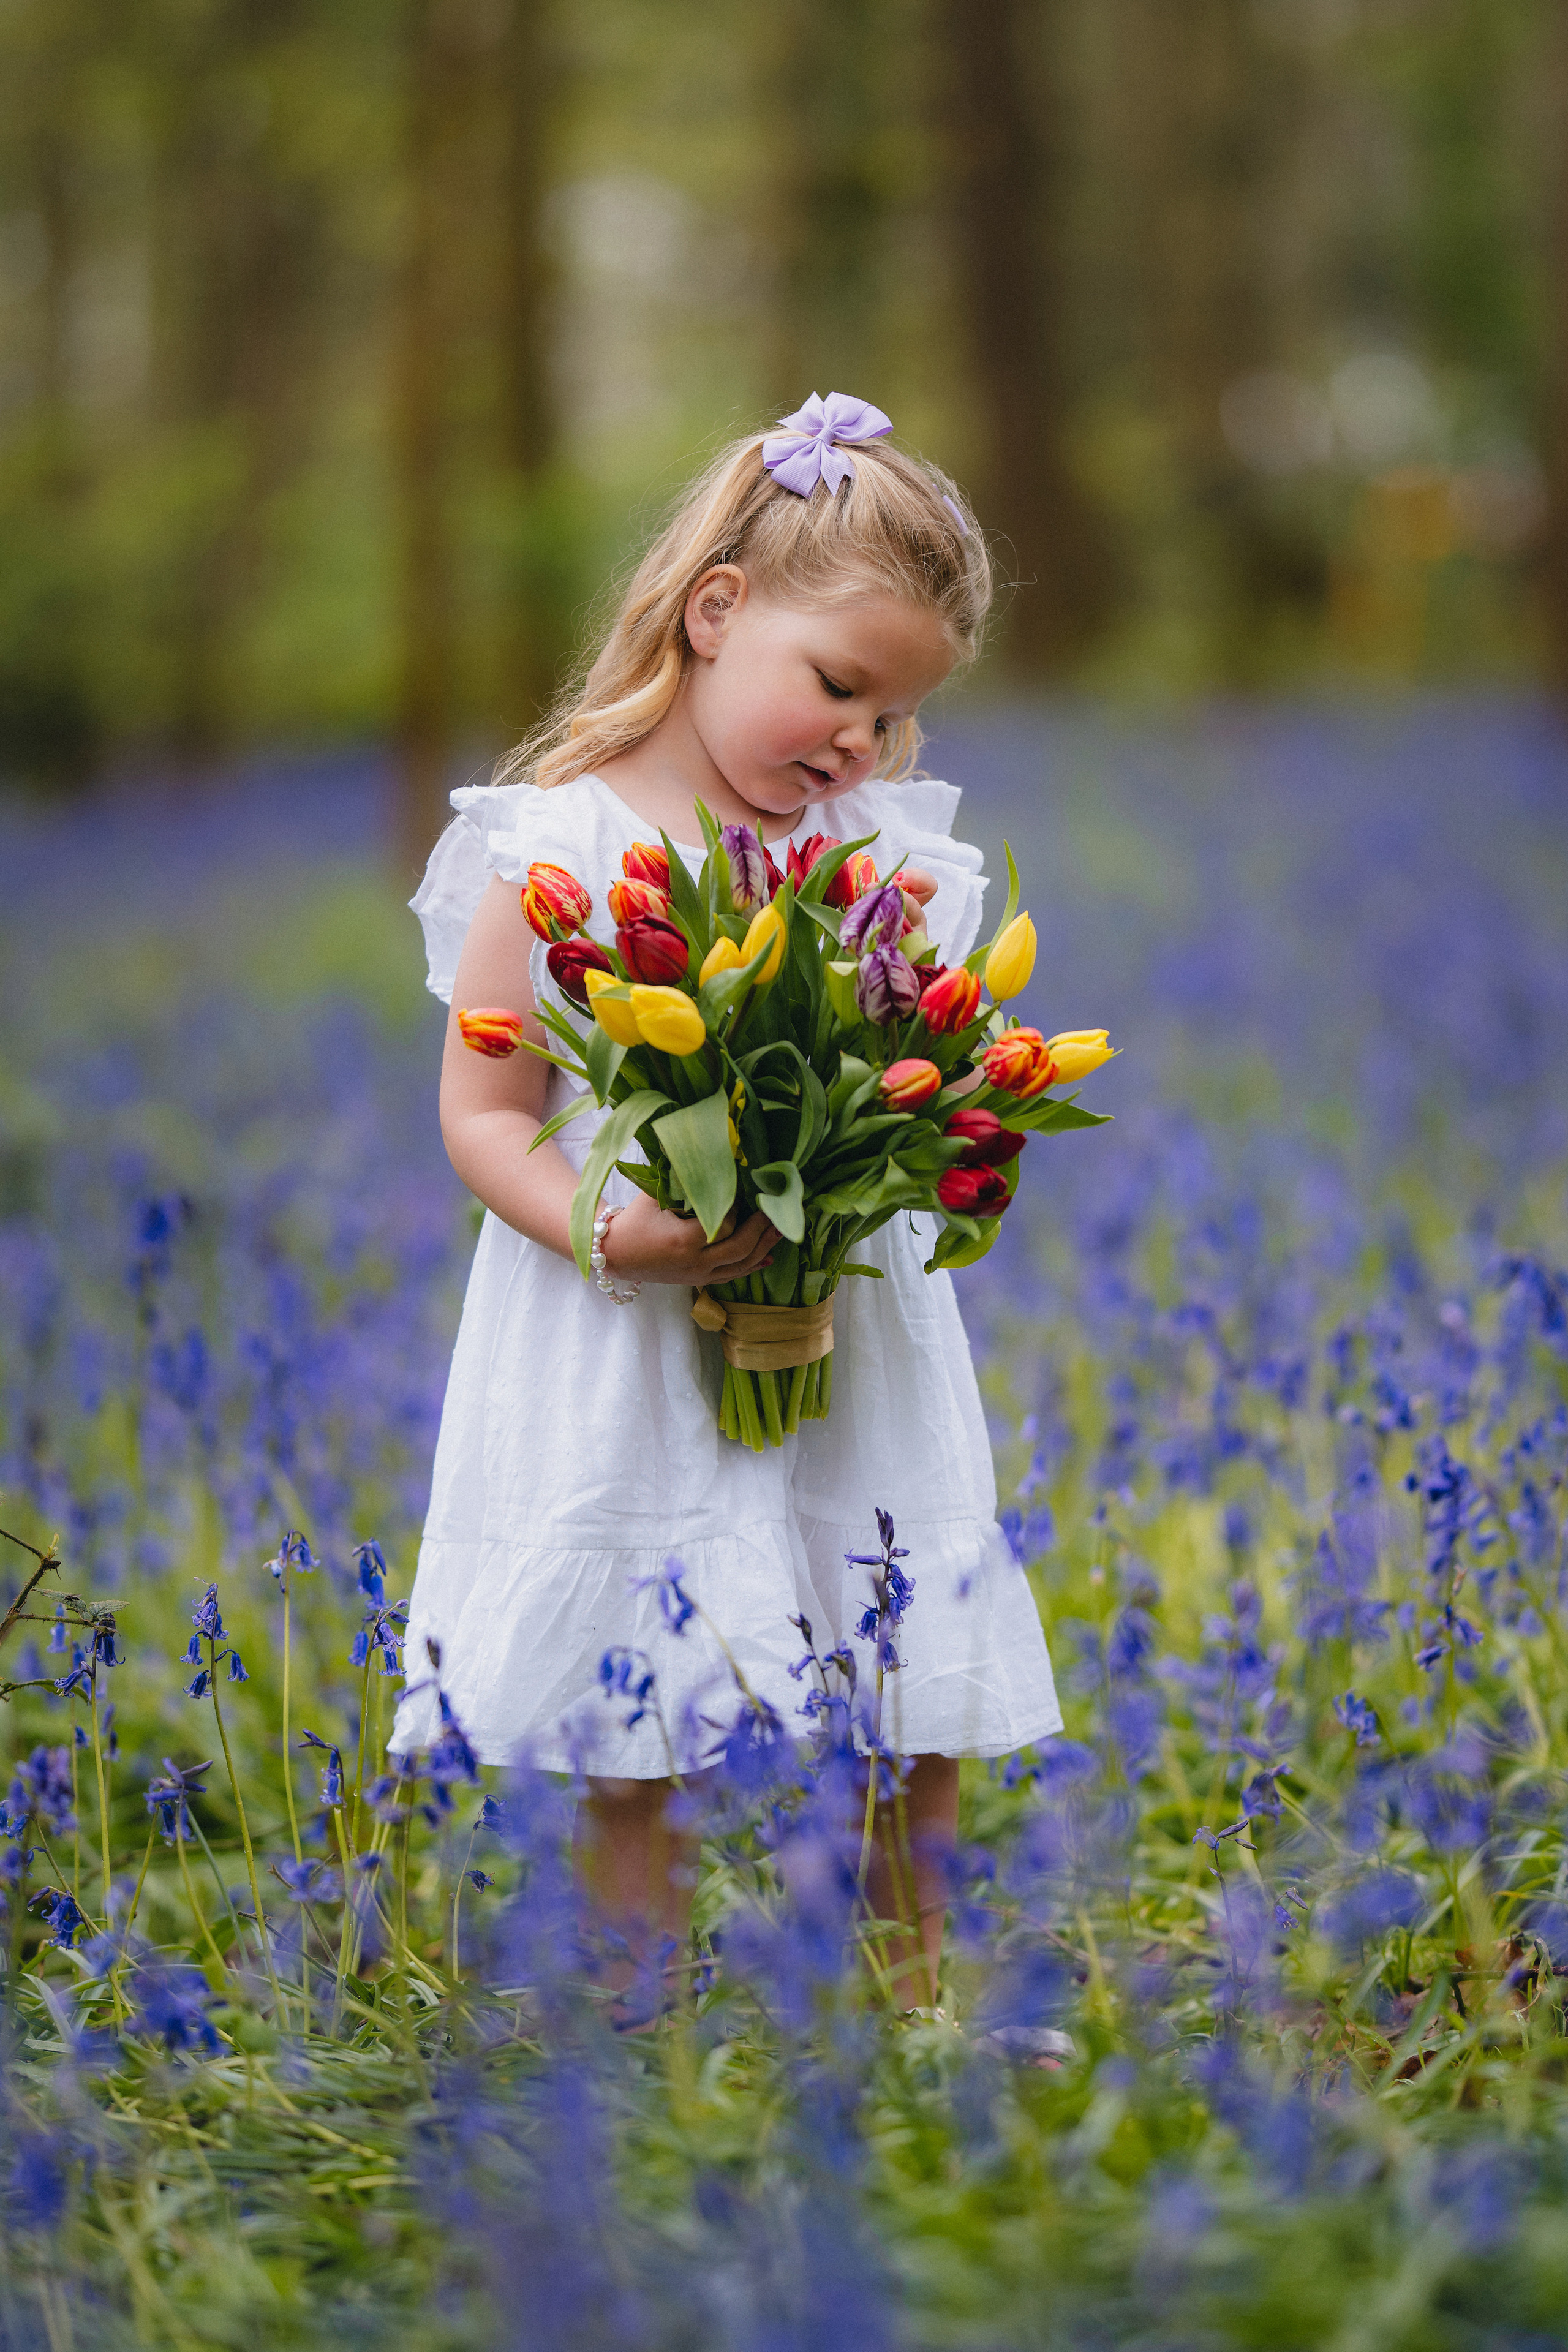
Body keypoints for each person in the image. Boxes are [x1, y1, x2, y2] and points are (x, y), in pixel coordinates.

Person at [396, 393, 1061, 2016]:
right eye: (840, 689)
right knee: (646, 1699)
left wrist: (939, 1137)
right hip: (624, 1315)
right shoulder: (556, 845)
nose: (862, 745)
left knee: (898, 1652)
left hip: (844, 1306)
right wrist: (610, 1231)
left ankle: (920, 2007)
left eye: (896, 716)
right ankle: (638, 2024)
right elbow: (486, 1112)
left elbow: (922, 1064)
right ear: (716, 612)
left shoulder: (874, 854)